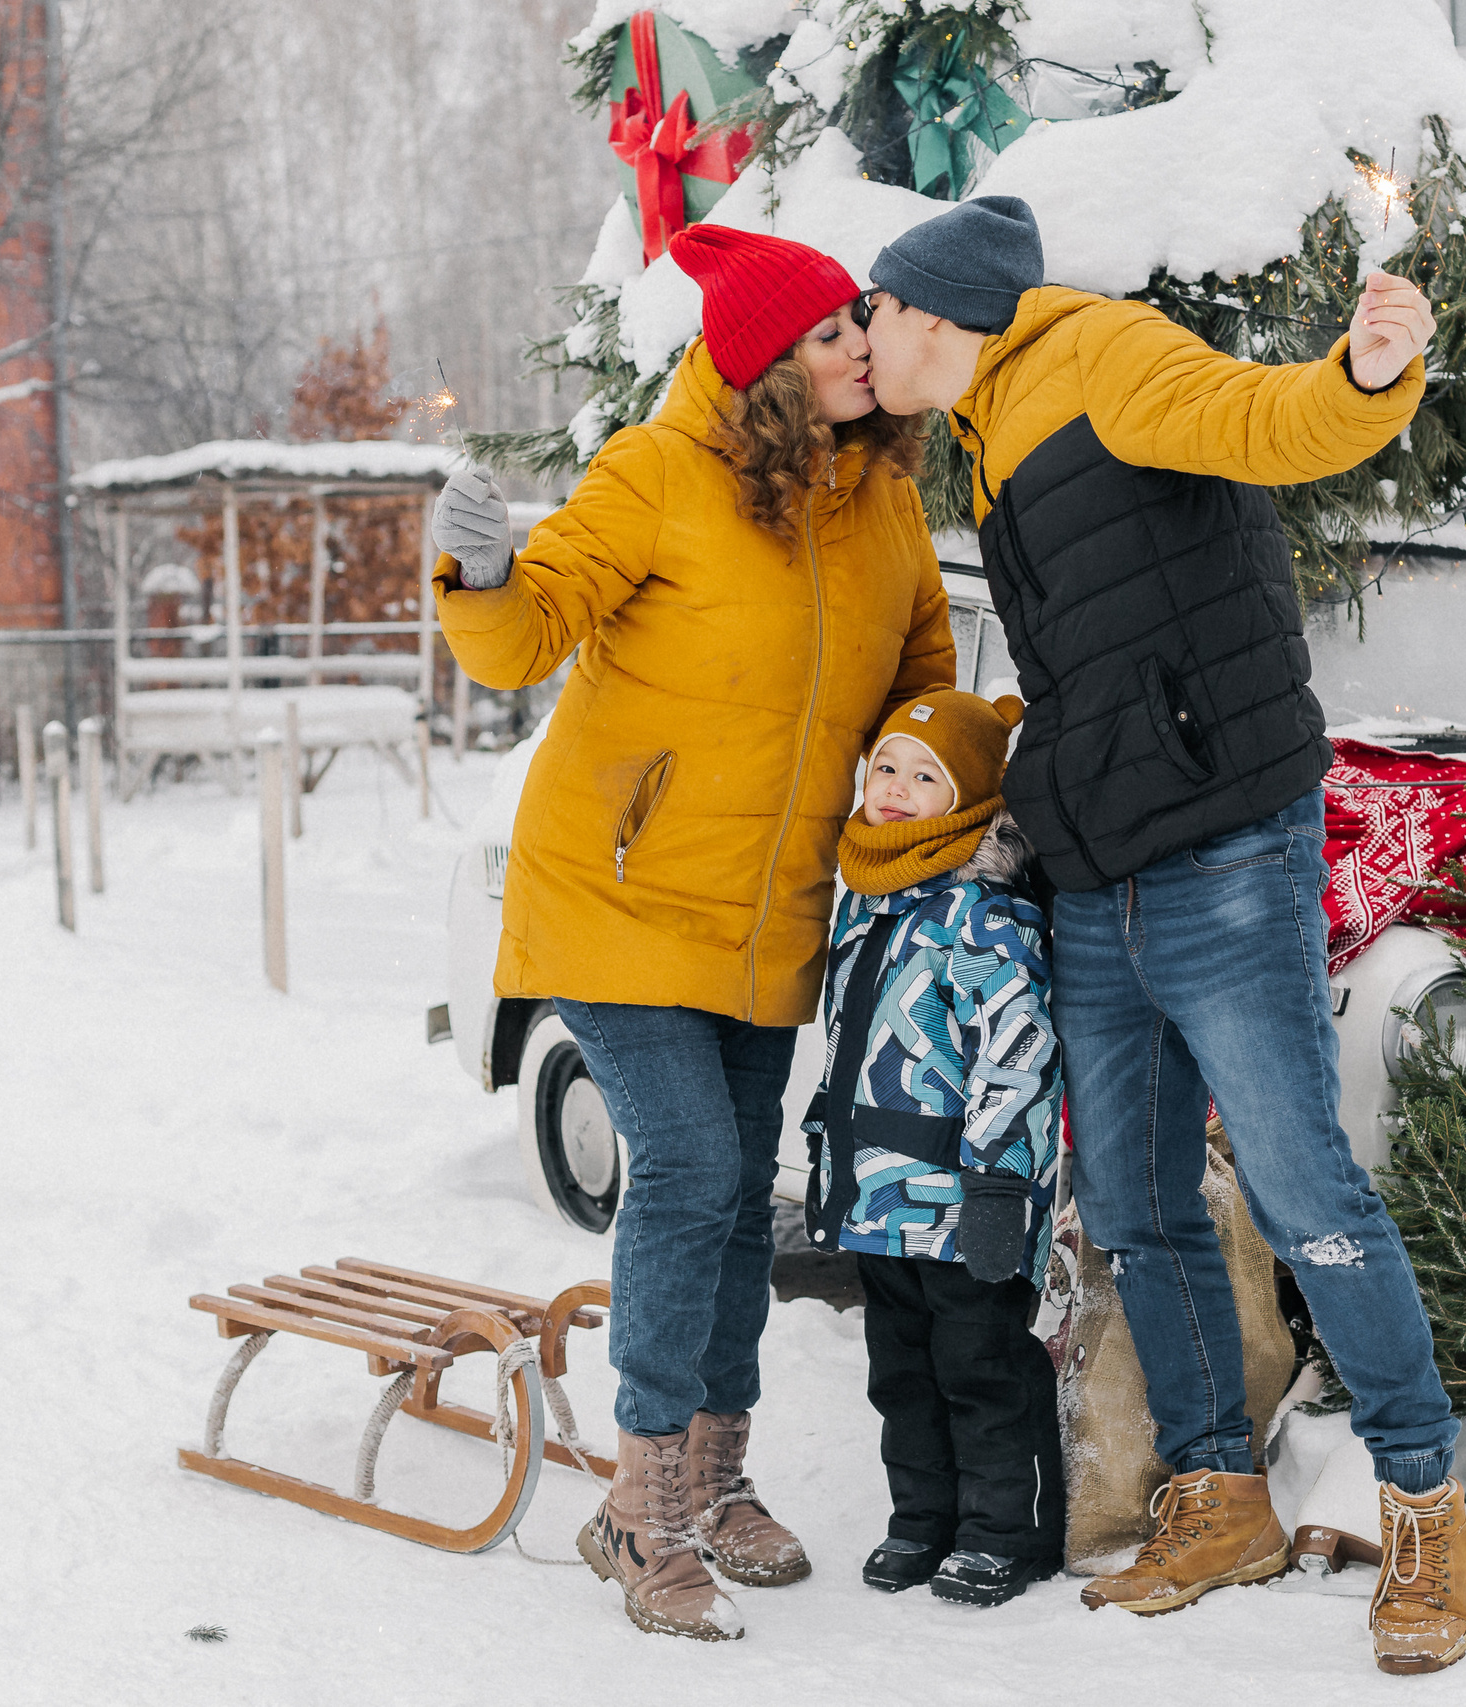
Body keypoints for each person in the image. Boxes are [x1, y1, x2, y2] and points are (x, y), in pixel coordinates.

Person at [857, 197, 1466, 1674]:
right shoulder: (992, 425)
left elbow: (1272, 422)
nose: (859, 336)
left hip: (1223, 852)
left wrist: (1370, 374)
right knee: (1134, 1199)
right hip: (1101, 871)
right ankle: (1217, 1494)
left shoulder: (1105, 357)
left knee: (1304, 1185)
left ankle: (1423, 1502)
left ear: (934, 311)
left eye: (870, 311)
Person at [428, 222, 955, 1644]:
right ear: (769, 366)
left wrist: (930, 790)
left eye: (863, 323)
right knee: (686, 1166)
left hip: (765, 910)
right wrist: (478, 574)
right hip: (616, 892)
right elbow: (530, 631)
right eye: (834, 330)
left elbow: (921, 682)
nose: (864, 343)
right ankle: (638, 1502)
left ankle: (716, 1480)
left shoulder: (884, 507)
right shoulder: (659, 474)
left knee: (735, 1187)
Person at [801, 688, 1066, 1609]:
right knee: (901, 1374)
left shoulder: (983, 915)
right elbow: (849, 1051)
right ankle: (923, 1518)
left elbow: (1020, 1057)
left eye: (927, 777)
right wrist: (827, 1161)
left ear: (970, 800)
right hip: (879, 1198)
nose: (899, 789)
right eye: (887, 768)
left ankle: (1007, 1532)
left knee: (981, 1369)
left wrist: (999, 1188)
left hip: (965, 1203)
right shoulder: (866, 899)